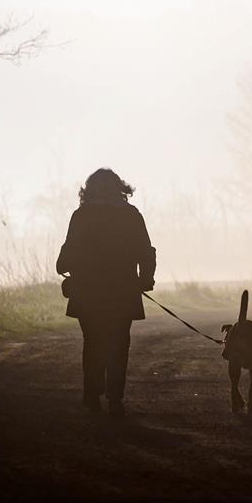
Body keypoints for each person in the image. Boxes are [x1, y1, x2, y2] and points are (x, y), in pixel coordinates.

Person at [56, 168, 156, 417]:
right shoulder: (131, 215)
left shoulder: (81, 215)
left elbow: (65, 259)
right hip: (123, 293)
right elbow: (146, 251)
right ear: (120, 189)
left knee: (92, 343)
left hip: (88, 293)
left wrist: (65, 265)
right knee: (119, 344)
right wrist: (145, 279)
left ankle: (92, 396)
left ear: (89, 190)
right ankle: (114, 398)